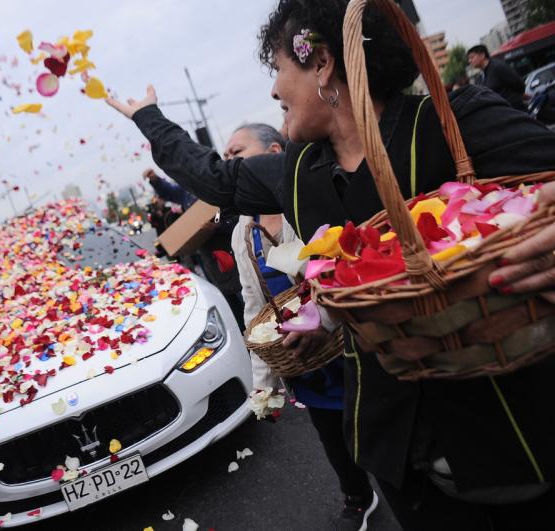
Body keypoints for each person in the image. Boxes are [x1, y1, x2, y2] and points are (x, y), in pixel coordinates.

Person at [106, 0, 555, 527]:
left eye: (278, 70)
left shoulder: (453, 121)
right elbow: (213, 178)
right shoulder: (296, 171)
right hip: (397, 447)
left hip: (515, 432)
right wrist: (149, 119)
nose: (273, 91)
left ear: (321, 63)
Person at [228, 122, 377, 529]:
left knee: (375, 417)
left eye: (236, 154)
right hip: (301, 355)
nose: (228, 165)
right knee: (330, 431)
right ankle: (358, 496)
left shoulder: (312, 200)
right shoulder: (244, 232)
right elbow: (252, 305)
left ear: (274, 153)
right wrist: (265, 383)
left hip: (347, 338)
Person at [145, 168, 248, 331]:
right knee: (228, 303)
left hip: (232, 253)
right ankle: (242, 333)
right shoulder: (187, 192)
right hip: (211, 260)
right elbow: (169, 191)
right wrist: (155, 180)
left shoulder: (218, 184)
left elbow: (238, 218)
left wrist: (218, 225)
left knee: (247, 299)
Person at [467, 44, 526, 111]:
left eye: (472, 57)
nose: (470, 61)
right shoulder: (480, 77)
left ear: (482, 55)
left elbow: (518, 83)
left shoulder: (497, 67)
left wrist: (517, 97)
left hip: (515, 111)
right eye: (469, 59)